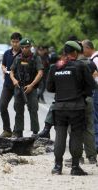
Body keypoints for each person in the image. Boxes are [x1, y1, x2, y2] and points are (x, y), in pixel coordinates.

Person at [47, 41, 96, 175]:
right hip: (76, 107)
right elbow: (92, 86)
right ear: (75, 52)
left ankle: (57, 167)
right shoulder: (81, 66)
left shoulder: (55, 67)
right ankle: (75, 167)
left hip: (59, 107)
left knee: (60, 136)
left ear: (64, 53)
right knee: (76, 136)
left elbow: (49, 88)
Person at [10, 38, 43, 138]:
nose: (25, 49)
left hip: (31, 88)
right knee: (18, 110)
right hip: (19, 87)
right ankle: (18, 132)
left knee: (33, 109)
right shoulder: (18, 58)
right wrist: (14, 80)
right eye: (23, 47)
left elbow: (40, 73)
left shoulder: (35, 58)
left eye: (27, 47)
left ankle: (35, 132)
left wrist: (32, 85)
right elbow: (11, 71)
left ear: (30, 47)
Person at [0, 32, 22, 137]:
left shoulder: (23, 54)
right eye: (13, 42)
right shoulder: (7, 53)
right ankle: (7, 129)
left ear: (20, 42)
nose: (14, 44)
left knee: (18, 107)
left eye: (17, 42)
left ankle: (17, 131)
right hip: (7, 84)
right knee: (2, 105)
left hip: (19, 85)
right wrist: (4, 69)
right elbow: (3, 64)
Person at [82, 39, 98, 154]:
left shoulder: (95, 60)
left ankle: (96, 145)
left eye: (83, 49)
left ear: (88, 48)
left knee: (95, 119)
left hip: (96, 91)